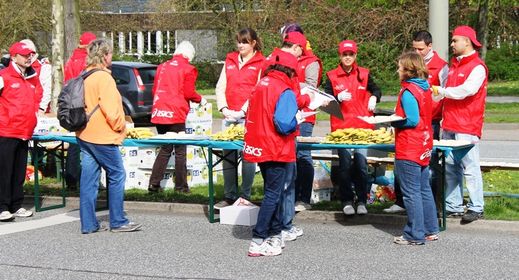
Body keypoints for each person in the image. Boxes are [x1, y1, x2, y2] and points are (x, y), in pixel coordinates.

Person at [76, 38, 140, 233]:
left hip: (84, 134)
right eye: (110, 53)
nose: (112, 57)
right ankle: (118, 220)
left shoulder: (85, 75)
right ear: (104, 56)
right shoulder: (104, 78)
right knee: (117, 174)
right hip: (103, 136)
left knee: (88, 180)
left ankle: (88, 224)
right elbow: (112, 110)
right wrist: (122, 127)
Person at [384, 30, 448, 214]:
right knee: (417, 182)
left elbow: (443, 94)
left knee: (423, 179)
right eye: (414, 48)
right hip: (421, 129)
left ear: (429, 46)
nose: (417, 52)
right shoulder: (415, 83)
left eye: (420, 49)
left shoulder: (439, 68)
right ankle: (422, 220)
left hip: (425, 127)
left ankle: (418, 227)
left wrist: (395, 122)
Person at [244, 48, 299, 257]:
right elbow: (284, 124)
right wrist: (296, 122)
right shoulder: (284, 90)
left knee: (271, 191)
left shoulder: (261, 84)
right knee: (273, 195)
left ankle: (274, 235)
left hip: (258, 144)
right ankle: (258, 239)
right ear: (290, 70)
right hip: (275, 146)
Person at [432, 25, 488, 223]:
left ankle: (476, 206)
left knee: (470, 167)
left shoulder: (478, 67)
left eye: (455, 40)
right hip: (449, 123)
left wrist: (442, 92)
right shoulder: (453, 66)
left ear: (467, 41)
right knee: (450, 167)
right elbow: (443, 92)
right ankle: (453, 205)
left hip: (467, 125)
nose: (452, 44)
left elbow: (467, 90)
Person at [323, 40, 381, 216]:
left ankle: (362, 200)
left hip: (362, 128)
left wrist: (374, 98)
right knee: (345, 165)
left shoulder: (364, 73)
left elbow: (377, 89)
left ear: (355, 56)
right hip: (342, 129)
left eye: (351, 54)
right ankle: (347, 200)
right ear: (340, 56)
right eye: (344, 54)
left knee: (362, 166)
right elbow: (324, 101)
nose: (347, 58)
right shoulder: (332, 76)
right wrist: (336, 97)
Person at [214, 28, 264, 209]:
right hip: (229, 115)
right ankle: (229, 196)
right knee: (227, 156)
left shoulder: (261, 63)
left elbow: (258, 91)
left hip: (247, 117)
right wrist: (224, 108)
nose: (240, 45)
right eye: (239, 41)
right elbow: (220, 87)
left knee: (248, 157)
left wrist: (243, 111)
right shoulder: (230, 60)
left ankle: (245, 195)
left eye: (244, 42)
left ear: (253, 43)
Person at [392, 51, 438, 245]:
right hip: (424, 142)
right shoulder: (425, 88)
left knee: (411, 192)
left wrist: (393, 122)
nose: (397, 70)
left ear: (408, 70)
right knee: (423, 188)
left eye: (400, 67)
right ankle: (430, 228)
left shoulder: (409, 91)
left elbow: (411, 119)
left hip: (409, 145)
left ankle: (414, 234)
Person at [148, 41, 206, 193]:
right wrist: (200, 99)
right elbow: (188, 92)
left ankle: (154, 184)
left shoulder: (162, 66)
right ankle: (181, 186)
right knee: (180, 150)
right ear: (190, 55)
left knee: (165, 148)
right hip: (176, 114)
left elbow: (155, 90)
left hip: (159, 111)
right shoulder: (188, 68)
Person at [280, 23, 323, 213]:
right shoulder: (283, 58)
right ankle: (292, 195)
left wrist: (290, 82)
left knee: (303, 154)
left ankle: (304, 198)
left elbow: (312, 86)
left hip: (306, 114)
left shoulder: (311, 61)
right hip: (289, 113)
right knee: (290, 155)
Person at [0, 42, 42, 221]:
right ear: (14, 56)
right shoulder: (3, 76)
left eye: (30, 54)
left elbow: (37, 98)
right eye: (25, 54)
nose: (29, 57)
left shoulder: (33, 77)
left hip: (25, 131)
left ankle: (16, 205)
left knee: (19, 172)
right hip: (6, 131)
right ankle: (2, 206)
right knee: (4, 171)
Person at [63, 32, 97, 190]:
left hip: (71, 102)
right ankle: (86, 179)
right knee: (88, 141)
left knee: (75, 141)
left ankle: (71, 177)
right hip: (84, 102)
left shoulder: (71, 59)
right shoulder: (87, 60)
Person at [20, 39, 52, 116]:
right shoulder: (17, 68)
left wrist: (41, 109)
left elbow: (47, 90)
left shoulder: (44, 68)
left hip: (38, 112)